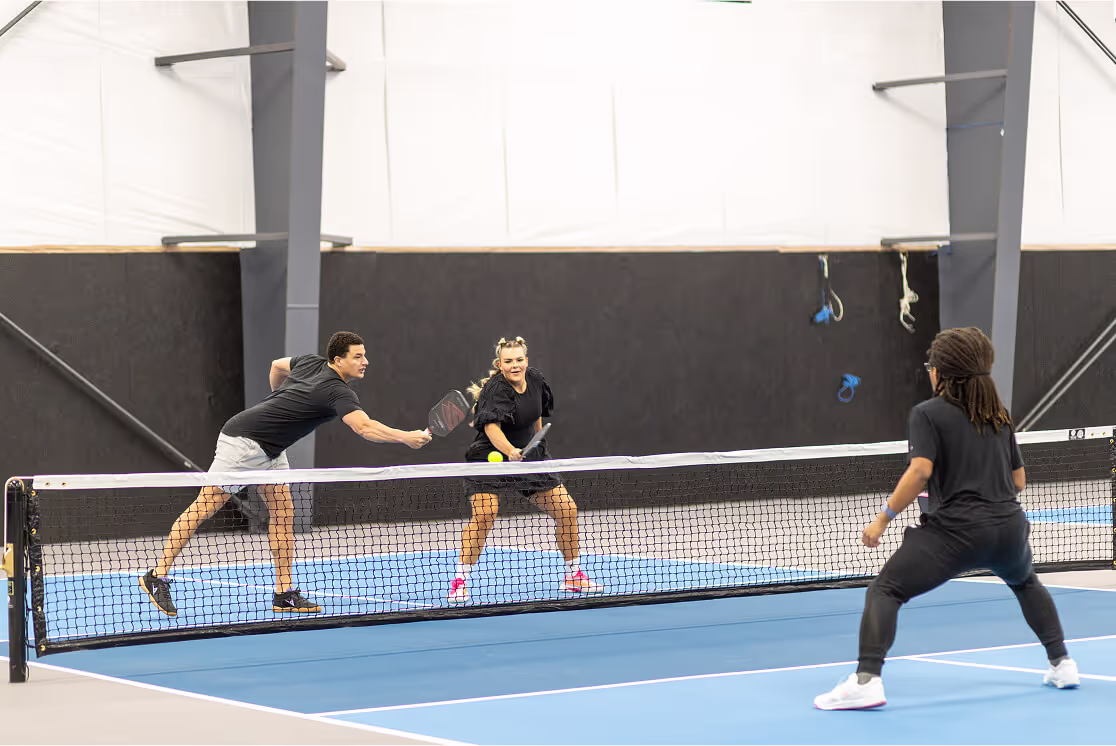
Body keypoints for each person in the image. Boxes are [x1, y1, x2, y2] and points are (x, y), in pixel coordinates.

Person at [815, 327, 1080, 710]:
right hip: (1008, 530)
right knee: (1025, 583)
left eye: (931, 365)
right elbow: (1018, 480)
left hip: (955, 534)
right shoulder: (998, 416)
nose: (929, 371)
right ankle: (1063, 664)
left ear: (940, 372)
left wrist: (882, 519)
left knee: (885, 590)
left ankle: (866, 681)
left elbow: (920, 470)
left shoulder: (926, 414)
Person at [139, 331, 431, 617]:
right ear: (338, 360)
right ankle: (157, 575)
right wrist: (405, 437)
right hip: (243, 442)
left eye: (364, 355)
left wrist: (277, 396)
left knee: (283, 512)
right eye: (357, 356)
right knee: (205, 507)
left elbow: (277, 366)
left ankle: (284, 593)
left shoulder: (310, 362)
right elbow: (365, 428)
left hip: (273, 449)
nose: (365, 361)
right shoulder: (337, 391)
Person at [448, 336, 603, 603]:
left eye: (519, 360)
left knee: (567, 510)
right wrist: (510, 452)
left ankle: (573, 575)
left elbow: (537, 418)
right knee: (485, 515)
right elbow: (491, 428)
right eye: (508, 361)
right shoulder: (496, 390)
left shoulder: (537, 381)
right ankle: (459, 580)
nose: (515, 365)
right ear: (500, 364)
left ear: (526, 361)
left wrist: (535, 448)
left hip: (528, 456)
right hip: (489, 457)